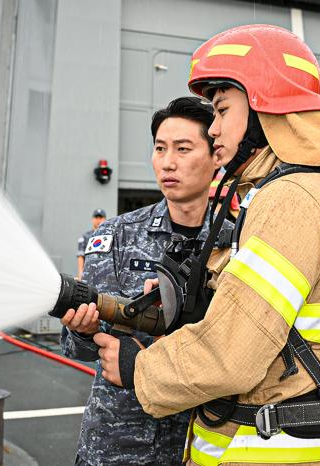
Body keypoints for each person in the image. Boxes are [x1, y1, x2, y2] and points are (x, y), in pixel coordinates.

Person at [94, 25, 320, 465]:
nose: (214, 130)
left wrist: (139, 368)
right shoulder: (301, 192)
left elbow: (234, 353)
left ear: (265, 107)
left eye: (222, 111)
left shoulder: (292, 199)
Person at [60, 96, 232, 466]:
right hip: (117, 447)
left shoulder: (236, 243)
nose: (167, 162)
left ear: (216, 157)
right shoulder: (116, 235)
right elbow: (77, 349)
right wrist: (81, 330)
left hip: (203, 445)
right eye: (159, 148)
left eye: (183, 149)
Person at [76, 209, 106, 279]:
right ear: (92, 219)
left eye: (100, 218)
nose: (98, 220)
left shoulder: (109, 236)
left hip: (104, 273)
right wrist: (81, 273)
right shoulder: (85, 236)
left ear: (105, 219)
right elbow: (80, 256)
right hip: (89, 273)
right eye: (96, 218)